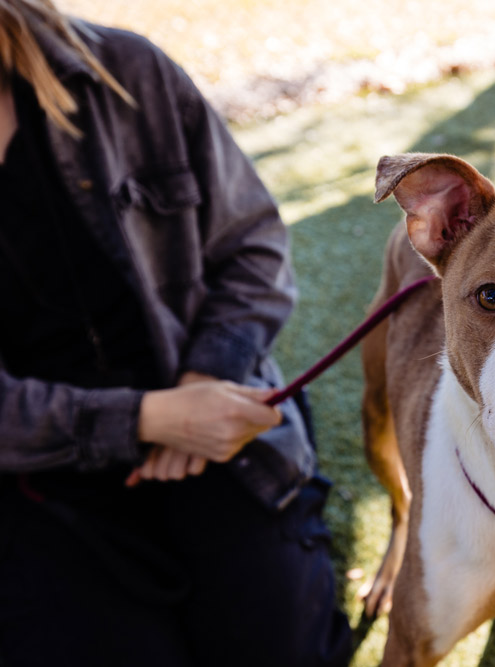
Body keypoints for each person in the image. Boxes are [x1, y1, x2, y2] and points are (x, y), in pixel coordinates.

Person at [0, 1, 353, 665]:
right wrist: (144, 418)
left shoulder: (127, 72)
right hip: (36, 479)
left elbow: (254, 247)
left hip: (207, 422)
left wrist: (203, 382)